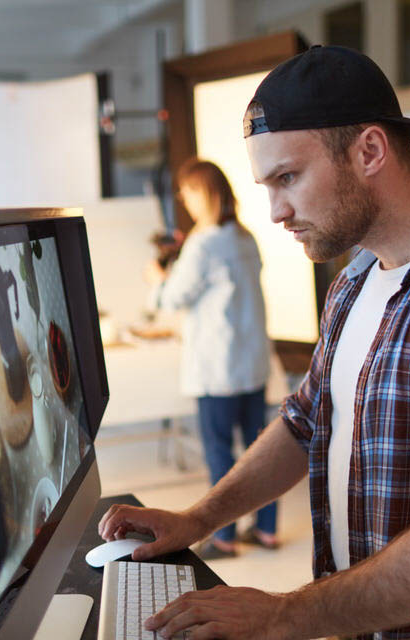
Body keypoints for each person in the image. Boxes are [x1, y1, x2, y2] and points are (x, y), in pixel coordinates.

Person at [101, 45, 410, 640]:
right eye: (267, 185)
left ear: (369, 151)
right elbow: (306, 421)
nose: (277, 211)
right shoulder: (354, 282)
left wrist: (285, 613)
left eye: (289, 177)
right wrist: (197, 518)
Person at [146, 158, 277, 559]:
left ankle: (223, 537)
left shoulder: (203, 243)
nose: (183, 199)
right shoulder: (245, 237)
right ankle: (267, 531)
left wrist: (157, 278)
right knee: (260, 452)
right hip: (252, 364)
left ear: (201, 193)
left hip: (218, 369)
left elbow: (173, 298)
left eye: (186, 192)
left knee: (221, 453)